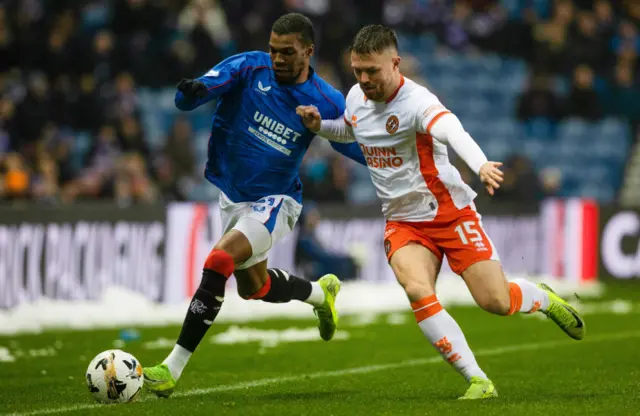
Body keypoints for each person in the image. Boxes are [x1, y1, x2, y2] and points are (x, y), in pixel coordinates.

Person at [297, 24, 585, 400]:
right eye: (358, 71)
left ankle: (543, 298)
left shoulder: (418, 102)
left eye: (373, 71)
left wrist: (480, 164)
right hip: (403, 222)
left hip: (450, 213)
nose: (364, 79)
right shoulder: (355, 97)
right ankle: (477, 380)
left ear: (396, 64)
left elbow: (452, 130)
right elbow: (352, 132)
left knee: (495, 302)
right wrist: (322, 127)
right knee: (417, 290)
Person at [143, 13, 367, 397]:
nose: (277, 59)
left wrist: (396, 157)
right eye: (273, 50)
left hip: (277, 201)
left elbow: (356, 149)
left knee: (217, 262)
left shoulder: (326, 100)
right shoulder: (247, 67)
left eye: (287, 53)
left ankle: (171, 368)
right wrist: (193, 91)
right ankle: (320, 294)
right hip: (232, 197)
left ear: (308, 52)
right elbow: (191, 96)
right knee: (254, 287)